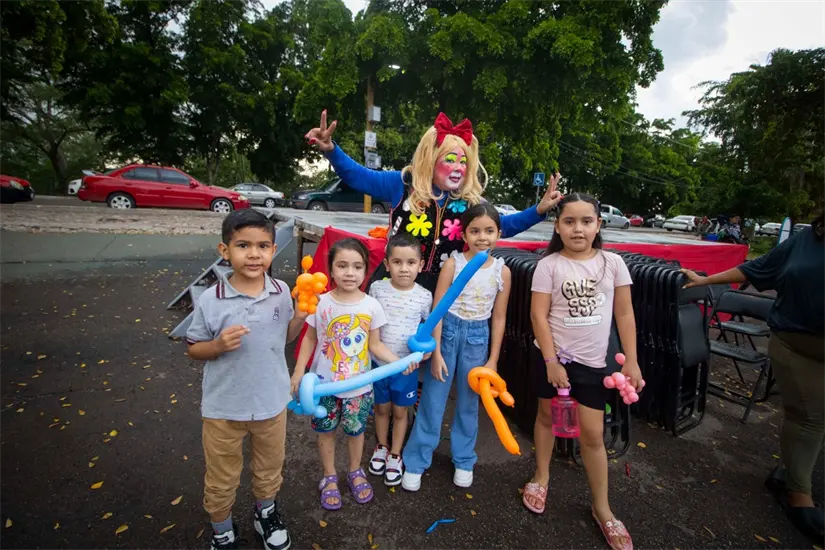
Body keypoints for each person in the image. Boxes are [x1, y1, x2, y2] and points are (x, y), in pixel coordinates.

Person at [682, 209, 825, 543]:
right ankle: (798, 494)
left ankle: (790, 473)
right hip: (796, 345)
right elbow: (756, 269)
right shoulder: (805, 241)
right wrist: (704, 281)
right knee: (809, 417)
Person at [304, 110, 563, 293]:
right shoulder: (403, 183)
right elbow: (359, 177)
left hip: (444, 288)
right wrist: (331, 150)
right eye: (450, 160)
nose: (458, 167)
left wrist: (537, 211)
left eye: (463, 161)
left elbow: (501, 226)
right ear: (431, 159)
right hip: (393, 282)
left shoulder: (471, 201)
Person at [522, 193, 642, 550]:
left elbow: (625, 315)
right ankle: (541, 476)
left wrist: (631, 359)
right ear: (557, 226)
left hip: (593, 364)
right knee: (546, 418)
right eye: (569, 222)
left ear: (598, 225)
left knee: (591, 434)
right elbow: (537, 316)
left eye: (586, 221)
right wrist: (551, 361)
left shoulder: (613, 264)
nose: (578, 229)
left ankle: (602, 507)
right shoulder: (549, 266)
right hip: (551, 359)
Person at [186, 209, 307, 550]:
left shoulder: (282, 290)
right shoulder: (211, 299)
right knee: (222, 476)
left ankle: (265, 512)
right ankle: (222, 528)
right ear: (224, 251)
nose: (254, 254)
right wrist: (217, 345)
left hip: (271, 403)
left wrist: (298, 318)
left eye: (263, 246)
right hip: (224, 408)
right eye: (243, 245)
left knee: (270, 467)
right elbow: (194, 349)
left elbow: (283, 339)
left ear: (272, 250)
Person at [291, 238, 418, 510]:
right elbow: (310, 340)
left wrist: (399, 362)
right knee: (325, 432)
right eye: (342, 266)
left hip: (359, 388)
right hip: (324, 387)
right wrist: (299, 373)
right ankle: (329, 476)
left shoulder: (371, 305)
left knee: (356, 431)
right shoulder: (320, 302)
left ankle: (355, 471)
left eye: (357, 266)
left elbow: (375, 345)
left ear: (365, 270)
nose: (350, 273)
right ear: (331, 269)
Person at [401, 203, 512, 491]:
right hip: (447, 333)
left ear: (499, 233)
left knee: (469, 403)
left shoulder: (503, 271)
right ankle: (416, 460)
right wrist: (436, 352)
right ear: (464, 234)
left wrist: (493, 360)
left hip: (478, 338)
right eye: (475, 231)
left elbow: (499, 318)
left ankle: (464, 459)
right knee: (433, 400)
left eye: (489, 231)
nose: (482, 237)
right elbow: (438, 308)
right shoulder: (453, 264)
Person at [367, 233, 433, 486]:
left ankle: (396, 454)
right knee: (381, 409)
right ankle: (381, 447)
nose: (404, 269)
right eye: (397, 262)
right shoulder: (377, 289)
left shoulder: (425, 296)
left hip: (407, 368)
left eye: (410, 263)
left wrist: (427, 351)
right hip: (379, 364)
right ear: (387, 264)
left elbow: (428, 330)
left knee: (400, 411)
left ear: (420, 264)